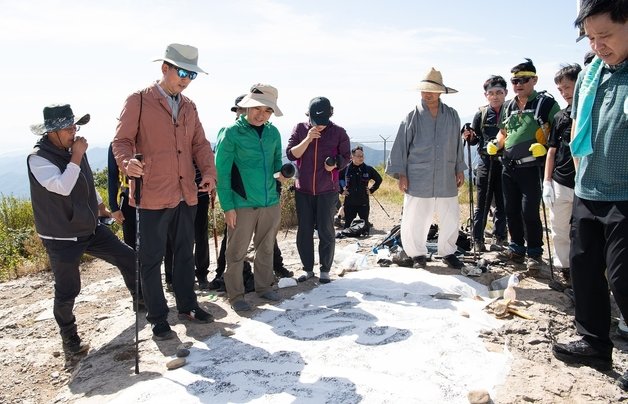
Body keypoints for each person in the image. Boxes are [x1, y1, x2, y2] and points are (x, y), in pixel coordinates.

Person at [112, 43, 217, 340]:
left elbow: (200, 145)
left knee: (185, 253)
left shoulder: (189, 106)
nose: (186, 79)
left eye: (191, 75)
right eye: (182, 72)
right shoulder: (139, 101)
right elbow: (120, 141)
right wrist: (127, 162)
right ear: (165, 69)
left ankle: (188, 306)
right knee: (151, 259)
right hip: (152, 194)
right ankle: (158, 317)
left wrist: (208, 173)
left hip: (187, 192)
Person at [551, 0, 628, 391]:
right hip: (588, 188)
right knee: (584, 268)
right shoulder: (591, 73)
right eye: (591, 37)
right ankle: (594, 342)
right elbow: (580, 127)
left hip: (625, 194)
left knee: (623, 276)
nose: (597, 45)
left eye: (606, 36)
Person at [28, 104, 141, 355]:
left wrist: (102, 207)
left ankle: (140, 300)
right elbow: (62, 186)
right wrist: (77, 155)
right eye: (69, 128)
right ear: (52, 132)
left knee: (127, 257)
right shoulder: (38, 158)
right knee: (68, 290)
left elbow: (86, 180)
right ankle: (70, 339)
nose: (74, 132)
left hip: (89, 227)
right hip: (61, 235)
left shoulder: (74, 149)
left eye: (74, 126)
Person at [210, 95, 293, 291]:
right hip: (242, 204)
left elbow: (275, 164)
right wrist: (228, 207)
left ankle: (264, 289)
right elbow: (221, 173)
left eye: (268, 111)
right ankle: (236, 296)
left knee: (266, 250)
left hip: (270, 202)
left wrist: (281, 174)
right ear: (247, 107)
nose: (261, 115)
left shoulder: (273, 133)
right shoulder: (230, 133)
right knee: (236, 253)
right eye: (257, 108)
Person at [386, 67, 467, 270]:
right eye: (424, 90)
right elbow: (401, 146)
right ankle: (417, 255)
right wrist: (401, 174)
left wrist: (459, 168)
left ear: (440, 92)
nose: (427, 94)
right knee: (415, 217)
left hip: (446, 173)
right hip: (417, 174)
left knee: (450, 214)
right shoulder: (412, 116)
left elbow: (457, 144)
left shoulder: (452, 115)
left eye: (431, 90)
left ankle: (448, 252)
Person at [488, 58, 560, 272]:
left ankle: (535, 253)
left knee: (529, 211)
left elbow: (559, 129)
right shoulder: (509, 105)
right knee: (511, 210)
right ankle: (517, 248)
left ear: (534, 80)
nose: (518, 84)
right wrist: (496, 143)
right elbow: (504, 131)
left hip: (532, 167)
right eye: (514, 81)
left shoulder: (546, 103)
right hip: (508, 166)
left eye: (524, 79)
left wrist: (545, 148)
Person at [286, 97, 351, 284]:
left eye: (323, 123)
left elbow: (346, 157)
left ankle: (325, 270)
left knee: (326, 230)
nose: (320, 126)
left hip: (327, 190)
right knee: (304, 231)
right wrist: (308, 138)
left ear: (330, 114)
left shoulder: (338, 132)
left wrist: (335, 165)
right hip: (303, 189)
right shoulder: (300, 128)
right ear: (309, 115)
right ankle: (307, 269)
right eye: (316, 122)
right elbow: (291, 153)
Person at [542, 64, 581, 279]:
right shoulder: (559, 117)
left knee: (583, 231)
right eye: (561, 90)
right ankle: (564, 267)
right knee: (559, 228)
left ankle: (585, 269)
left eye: (568, 87)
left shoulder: (590, 112)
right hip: (560, 181)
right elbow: (552, 151)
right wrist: (547, 182)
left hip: (585, 183)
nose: (565, 93)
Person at [461, 75, 509, 252]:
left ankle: (500, 237)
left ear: (505, 93)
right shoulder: (480, 114)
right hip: (485, 163)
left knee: (503, 204)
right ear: (486, 95)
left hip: (505, 162)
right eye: (491, 93)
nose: (495, 96)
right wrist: (470, 136)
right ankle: (477, 239)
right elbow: (474, 140)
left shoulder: (511, 111)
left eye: (499, 92)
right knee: (482, 204)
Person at [164, 164, 211, 290]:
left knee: (200, 234)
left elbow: (205, 163)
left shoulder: (199, 143)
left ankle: (201, 274)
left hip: (200, 192)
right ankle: (171, 277)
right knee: (172, 237)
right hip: (173, 194)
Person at [341, 145, 383, 235]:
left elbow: (379, 179)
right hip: (350, 201)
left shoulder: (368, 169)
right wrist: (341, 191)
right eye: (358, 156)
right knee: (347, 228)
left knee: (365, 230)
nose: (361, 158)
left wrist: (371, 190)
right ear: (352, 157)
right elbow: (335, 179)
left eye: (362, 156)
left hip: (363, 201)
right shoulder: (346, 169)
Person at [107, 143, 136, 249]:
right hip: (128, 201)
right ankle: (135, 265)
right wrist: (114, 207)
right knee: (131, 245)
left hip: (155, 200)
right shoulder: (116, 144)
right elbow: (112, 176)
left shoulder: (153, 137)